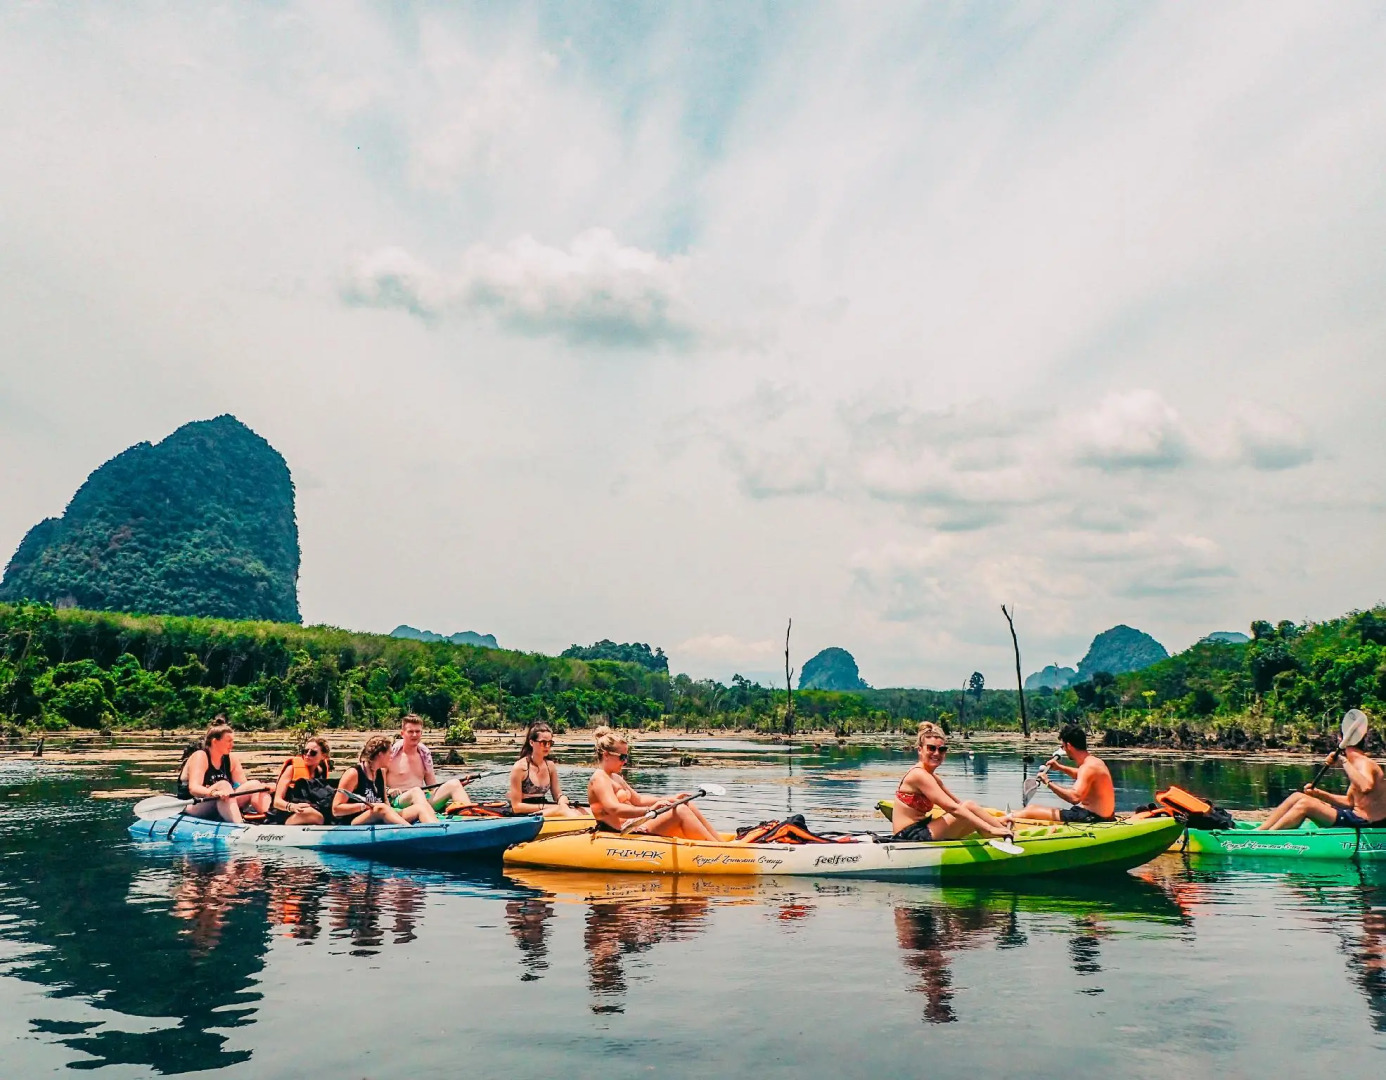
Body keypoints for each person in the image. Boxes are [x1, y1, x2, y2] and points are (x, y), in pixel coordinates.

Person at [587, 726, 720, 840]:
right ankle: (717, 850)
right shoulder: (600, 779)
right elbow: (614, 809)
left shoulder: (615, 777)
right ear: (606, 755)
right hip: (622, 831)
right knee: (680, 810)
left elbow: (638, 800)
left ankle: (720, 844)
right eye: (622, 757)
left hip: (633, 824)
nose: (625, 761)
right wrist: (649, 810)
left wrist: (671, 799)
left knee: (685, 803)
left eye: (626, 757)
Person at [890, 722, 1015, 842]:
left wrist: (995, 821)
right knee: (969, 806)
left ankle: (1003, 833)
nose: (936, 753)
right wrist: (990, 828)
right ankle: (1005, 835)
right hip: (909, 836)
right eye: (931, 748)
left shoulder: (931, 776)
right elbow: (953, 808)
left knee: (968, 809)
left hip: (921, 829)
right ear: (920, 750)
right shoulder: (919, 775)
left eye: (942, 749)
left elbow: (957, 804)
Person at [1259, 734, 1386, 831]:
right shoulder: (1357, 765)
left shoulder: (1363, 763)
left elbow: (1366, 786)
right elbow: (1350, 802)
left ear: (1341, 740)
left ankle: (1267, 840)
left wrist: (1343, 761)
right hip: (1355, 817)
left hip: (1365, 822)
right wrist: (1318, 794)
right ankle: (1260, 832)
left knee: (1305, 804)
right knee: (1298, 796)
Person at [1013, 724, 1116, 824]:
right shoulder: (1095, 762)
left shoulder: (1088, 767)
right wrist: (1059, 767)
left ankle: (1007, 819)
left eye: (1063, 746)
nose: (1064, 750)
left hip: (1092, 817)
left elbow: (1074, 798)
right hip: (1101, 815)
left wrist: (1048, 782)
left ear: (1069, 746)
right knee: (1042, 810)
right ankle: (1013, 815)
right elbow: (1082, 775)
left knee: (1031, 810)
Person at [176, 723, 271, 823]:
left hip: (221, 800)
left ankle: (270, 818)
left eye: (233, 741)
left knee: (255, 785)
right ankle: (239, 824)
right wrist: (213, 793)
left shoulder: (231, 759)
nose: (232, 745)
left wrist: (264, 788)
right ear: (215, 742)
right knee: (223, 785)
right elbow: (194, 788)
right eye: (229, 741)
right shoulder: (200, 756)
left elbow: (242, 788)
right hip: (195, 805)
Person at [385, 714, 474, 817]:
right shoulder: (390, 756)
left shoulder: (424, 756)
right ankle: (431, 818)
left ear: (421, 733)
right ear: (402, 733)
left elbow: (433, 787)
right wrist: (388, 790)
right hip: (399, 801)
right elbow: (375, 784)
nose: (414, 735)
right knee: (416, 791)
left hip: (423, 799)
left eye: (417, 731)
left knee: (454, 784)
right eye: (410, 732)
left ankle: (470, 816)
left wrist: (456, 784)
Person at [333, 736, 428, 825]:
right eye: (390, 753)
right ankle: (409, 830)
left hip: (380, 815)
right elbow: (336, 809)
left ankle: (434, 830)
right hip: (354, 821)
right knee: (381, 808)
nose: (392, 756)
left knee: (420, 808)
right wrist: (363, 806)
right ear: (380, 754)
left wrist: (393, 813)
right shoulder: (353, 773)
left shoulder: (381, 773)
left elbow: (385, 802)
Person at [508, 721, 583, 817]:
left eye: (550, 743)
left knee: (579, 810)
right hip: (526, 814)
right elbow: (516, 807)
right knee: (562, 810)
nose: (547, 746)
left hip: (544, 808)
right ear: (531, 742)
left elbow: (557, 794)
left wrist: (562, 799)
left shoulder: (550, 766)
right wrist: (547, 807)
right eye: (543, 743)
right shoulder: (520, 768)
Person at [269, 736, 335, 825]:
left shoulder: (321, 773)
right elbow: (277, 802)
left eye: (313, 753)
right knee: (311, 814)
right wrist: (292, 807)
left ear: (324, 756)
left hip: (310, 811)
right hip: (287, 813)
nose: (307, 755)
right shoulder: (291, 769)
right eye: (305, 751)